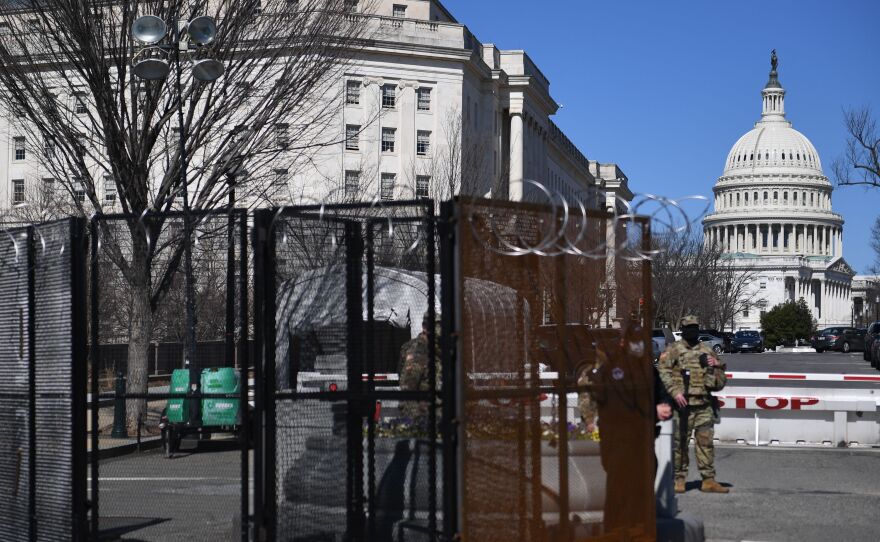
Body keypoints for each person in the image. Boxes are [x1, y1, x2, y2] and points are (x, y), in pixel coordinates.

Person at [658, 315, 729, 494]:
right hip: (682, 407)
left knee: (705, 444)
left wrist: (716, 365)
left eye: (695, 327)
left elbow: (720, 383)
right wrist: (675, 392)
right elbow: (663, 372)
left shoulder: (707, 350)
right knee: (680, 444)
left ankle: (708, 480)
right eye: (689, 327)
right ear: (683, 330)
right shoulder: (674, 350)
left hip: (703, 405)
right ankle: (679, 479)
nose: (692, 331)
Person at [398, 312, 440, 423]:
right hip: (425, 420)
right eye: (437, 326)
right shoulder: (417, 351)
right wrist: (418, 420)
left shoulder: (438, 349)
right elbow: (407, 392)